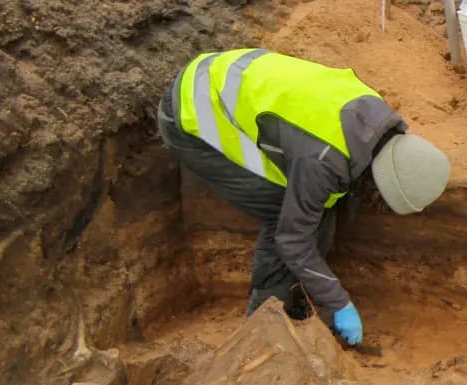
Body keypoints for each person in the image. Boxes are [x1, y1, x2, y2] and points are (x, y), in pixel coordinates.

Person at [156, 49, 451, 345]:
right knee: (282, 206)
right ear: (380, 180)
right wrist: (339, 303)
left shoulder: (376, 118)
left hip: (225, 78)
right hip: (193, 112)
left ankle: (293, 290)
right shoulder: (321, 160)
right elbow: (293, 237)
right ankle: (264, 323)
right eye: (381, 199)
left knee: (316, 205)